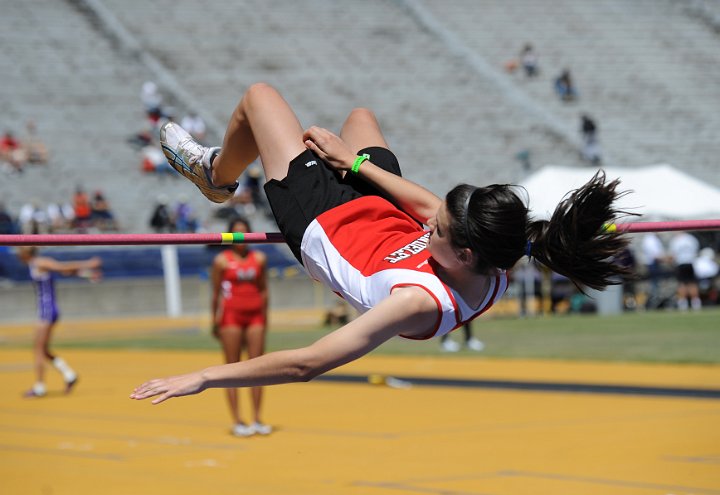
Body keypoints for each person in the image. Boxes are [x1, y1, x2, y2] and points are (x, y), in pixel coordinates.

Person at [130, 82, 631, 405]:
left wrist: (202, 377)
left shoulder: (415, 303)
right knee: (360, 117)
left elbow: (308, 363)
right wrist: (353, 163)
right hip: (377, 212)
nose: (431, 224)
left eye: (437, 232)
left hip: (323, 223)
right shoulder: (498, 258)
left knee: (259, 98)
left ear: (463, 256)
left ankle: (215, 176)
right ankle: (342, 160)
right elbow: (427, 209)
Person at [210, 217, 270, 436]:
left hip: (255, 317)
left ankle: (257, 418)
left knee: (258, 368)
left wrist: (265, 317)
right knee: (231, 369)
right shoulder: (222, 261)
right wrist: (214, 321)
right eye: (235, 233)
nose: (240, 237)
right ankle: (237, 420)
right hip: (231, 317)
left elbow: (264, 290)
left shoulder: (259, 258)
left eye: (244, 232)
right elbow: (215, 293)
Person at [17, 247, 102, 397]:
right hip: (45, 310)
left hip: (47, 310)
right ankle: (69, 375)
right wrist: (88, 274)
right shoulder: (34, 264)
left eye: (19, 251)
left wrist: (89, 264)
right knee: (43, 350)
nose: (17, 255)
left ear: (26, 252)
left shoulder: (40, 262)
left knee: (38, 350)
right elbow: (66, 272)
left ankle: (39, 387)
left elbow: (64, 267)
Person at [668, 231, 701, 311]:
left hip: (681, 263)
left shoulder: (675, 240)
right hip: (690, 262)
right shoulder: (691, 238)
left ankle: (683, 303)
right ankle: (695, 303)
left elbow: (673, 254)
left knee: (682, 283)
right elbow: (696, 250)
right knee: (692, 283)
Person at [640, 233, 665, 309]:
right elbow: (655, 255)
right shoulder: (650, 239)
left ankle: (654, 301)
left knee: (655, 284)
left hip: (653, 263)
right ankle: (652, 302)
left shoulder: (652, 239)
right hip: (652, 264)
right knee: (653, 284)